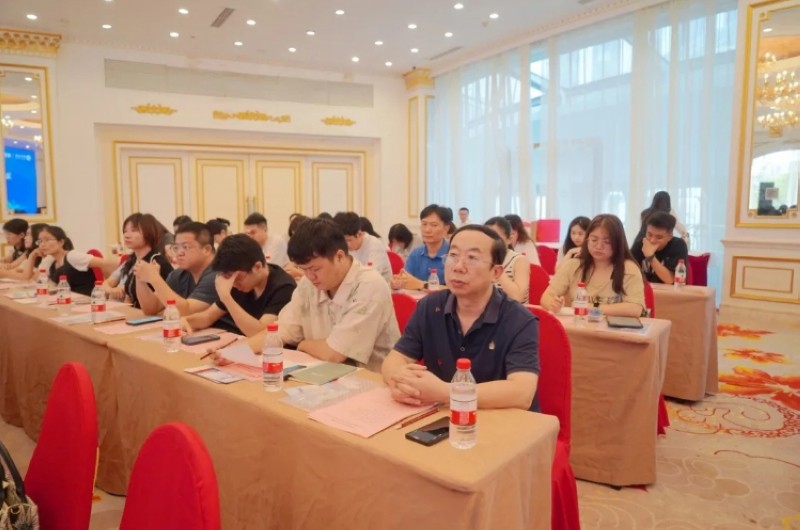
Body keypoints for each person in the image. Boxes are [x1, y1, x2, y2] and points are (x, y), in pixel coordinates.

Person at [382, 225, 540, 411]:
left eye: (472, 258)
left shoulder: (519, 320)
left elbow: (522, 393)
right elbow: (395, 360)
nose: (458, 267)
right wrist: (399, 383)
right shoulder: (430, 307)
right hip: (443, 416)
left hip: (499, 419)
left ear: (495, 273)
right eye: (453, 255)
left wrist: (445, 392)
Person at [241, 218, 399, 372]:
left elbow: (334, 353)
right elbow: (282, 330)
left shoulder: (369, 285)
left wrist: (303, 344)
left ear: (339, 257)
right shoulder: (308, 284)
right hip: (322, 373)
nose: (310, 276)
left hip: (369, 379)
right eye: (303, 269)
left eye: (315, 269)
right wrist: (239, 352)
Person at [181, 234, 296, 336]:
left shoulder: (284, 287)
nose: (234, 284)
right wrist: (186, 321)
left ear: (257, 267)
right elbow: (208, 317)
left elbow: (261, 334)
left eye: (238, 278)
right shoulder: (236, 280)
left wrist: (226, 298)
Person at [541, 214, 644, 317]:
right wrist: (553, 304)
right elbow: (546, 297)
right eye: (594, 240)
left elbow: (635, 308)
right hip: (578, 325)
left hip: (612, 327)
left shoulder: (628, 268)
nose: (599, 246)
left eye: (607, 242)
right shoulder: (573, 265)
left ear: (618, 243)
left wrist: (590, 308)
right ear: (587, 239)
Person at [136, 222, 218, 316]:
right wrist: (140, 277)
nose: (179, 253)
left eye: (185, 247)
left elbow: (187, 311)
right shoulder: (178, 275)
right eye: (176, 248)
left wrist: (155, 278)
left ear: (207, 250)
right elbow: (151, 308)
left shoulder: (218, 275)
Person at [103, 213, 173, 307]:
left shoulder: (157, 262)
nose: (127, 235)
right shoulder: (133, 260)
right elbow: (129, 297)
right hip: (134, 313)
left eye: (134, 230)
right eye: (125, 231)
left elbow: (164, 302)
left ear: (149, 232)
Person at [28, 225, 118, 296]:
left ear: (61, 242)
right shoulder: (51, 261)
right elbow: (34, 281)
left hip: (89, 301)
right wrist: (32, 256)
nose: (42, 245)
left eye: (47, 240)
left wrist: (108, 287)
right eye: (40, 241)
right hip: (70, 302)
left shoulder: (72, 256)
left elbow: (108, 263)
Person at [395, 204, 452, 289]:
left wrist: (422, 285)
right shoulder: (415, 254)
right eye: (424, 224)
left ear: (446, 229)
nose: (427, 230)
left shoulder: (453, 254)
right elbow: (405, 280)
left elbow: (456, 291)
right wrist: (397, 283)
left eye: (434, 225)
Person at [333, 212, 392, 285]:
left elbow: (371, 277)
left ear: (359, 234)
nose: (345, 245)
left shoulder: (374, 245)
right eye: (342, 241)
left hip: (376, 287)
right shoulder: (345, 248)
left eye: (348, 240)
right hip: (356, 287)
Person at [631, 212, 689, 285]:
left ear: (670, 236)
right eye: (649, 234)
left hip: (668, 291)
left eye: (659, 237)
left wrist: (650, 257)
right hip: (643, 290)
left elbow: (670, 280)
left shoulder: (678, 245)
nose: (652, 240)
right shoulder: (640, 244)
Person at [485, 217, 530, 303]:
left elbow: (517, 297)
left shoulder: (519, 260)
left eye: (494, 237)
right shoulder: (481, 259)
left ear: (509, 239)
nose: (489, 241)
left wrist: (495, 264)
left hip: (513, 310)